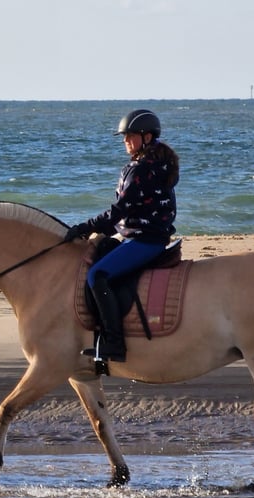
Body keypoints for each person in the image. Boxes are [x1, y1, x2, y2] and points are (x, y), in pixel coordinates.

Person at [65, 109, 179, 362]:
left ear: (147, 137)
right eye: (124, 136)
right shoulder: (159, 163)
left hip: (145, 240)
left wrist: (84, 227)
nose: (125, 141)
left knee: (97, 275)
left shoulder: (141, 170)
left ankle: (114, 344)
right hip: (142, 234)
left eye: (130, 136)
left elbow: (118, 212)